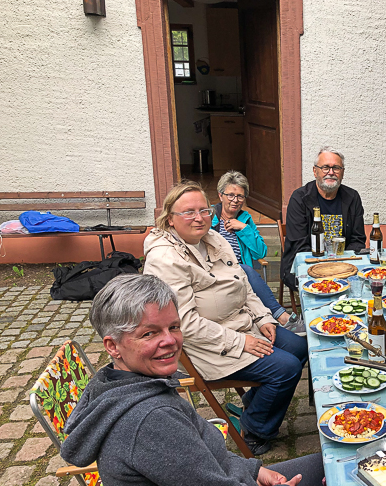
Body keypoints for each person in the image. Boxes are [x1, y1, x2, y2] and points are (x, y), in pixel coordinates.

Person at [60, 274, 332, 486]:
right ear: (113, 346)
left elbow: (205, 458)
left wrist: (254, 470)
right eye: (149, 333)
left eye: (173, 327)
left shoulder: (122, 384)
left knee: (332, 466)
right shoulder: (150, 420)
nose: (169, 341)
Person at [143, 181, 308, 456]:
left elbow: (242, 283)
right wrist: (240, 342)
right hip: (207, 345)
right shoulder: (165, 259)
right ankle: (254, 431)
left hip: (243, 322)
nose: (199, 218)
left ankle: (255, 405)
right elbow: (186, 325)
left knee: (300, 347)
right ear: (170, 218)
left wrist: (264, 317)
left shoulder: (213, 238)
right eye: (188, 212)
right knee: (286, 368)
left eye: (204, 210)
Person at [211, 170, 304, 334]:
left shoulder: (245, 219)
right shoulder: (209, 217)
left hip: (242, 277)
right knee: (245, 269)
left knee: (244, 270)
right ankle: (283, 317)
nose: (235, 200)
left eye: (240, 196)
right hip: (216, 273)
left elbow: (260, 252)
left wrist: (243, 228)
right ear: (220, 195)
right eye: (230, 195)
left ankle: (275, 322)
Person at [280, 146, 366, 291]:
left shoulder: (352, 198)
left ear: (342, 172)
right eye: (325, 167)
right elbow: (299, 245)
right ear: (315, 171)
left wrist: (340, 265)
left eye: (336, 168)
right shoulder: (300, 199)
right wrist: (326, 267)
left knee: (366, 284)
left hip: (344, 264)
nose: (331, 173)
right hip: (308, 264)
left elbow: (358, 239)